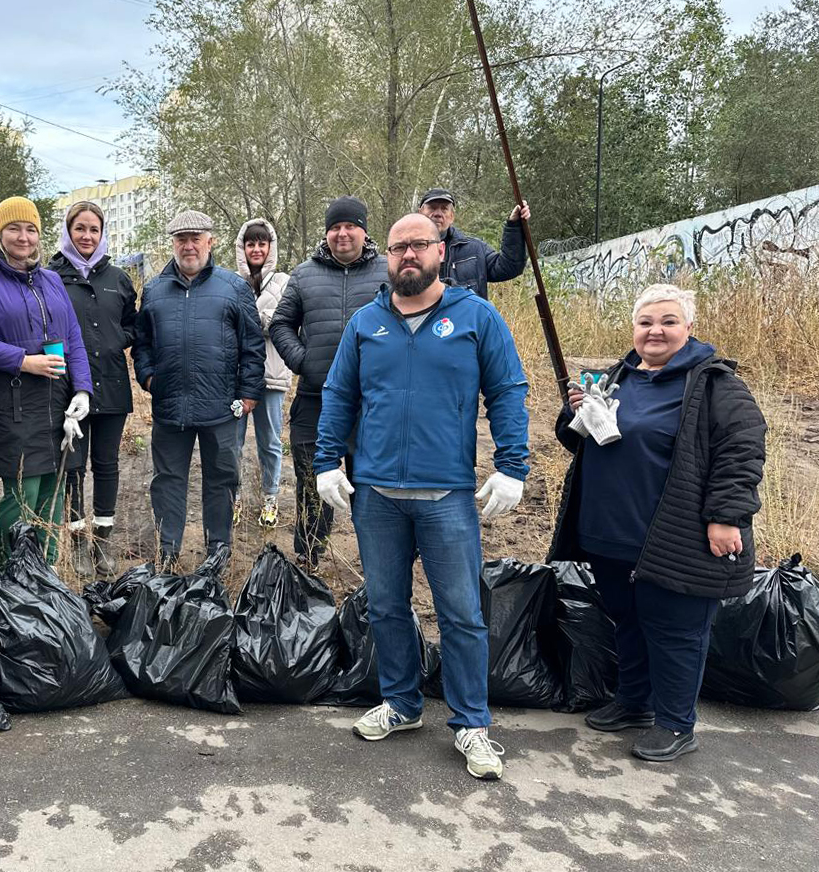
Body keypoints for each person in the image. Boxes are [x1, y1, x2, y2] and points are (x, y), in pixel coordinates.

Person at [315, 212, 530, 781]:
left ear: (440, 251)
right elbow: (339, 394)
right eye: (397, 248)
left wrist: (512, 466)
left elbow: (507, 389)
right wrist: (325, 462)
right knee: (386, 606)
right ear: (386, 258)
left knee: (460, 613)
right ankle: (403, 703)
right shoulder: (366, 323)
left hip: (448, 497)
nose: (407, 255)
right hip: (377, 496)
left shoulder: (476, 317)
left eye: (418, 245)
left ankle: (471, 724)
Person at [549, 284, 766, 762]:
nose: (656, 331)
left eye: (668, 321)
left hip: (674, 534)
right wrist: (574, 412)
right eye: (646, 322)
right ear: (634, 328)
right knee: (628, 619)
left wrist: (726, 517)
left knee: (677, 631)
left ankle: (675, 723)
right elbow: (582, 443)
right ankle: (634, 701)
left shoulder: (713, 384)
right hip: (610, 532)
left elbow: (742, 452)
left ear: (689, 328)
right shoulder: (617, 377)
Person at [0, 196, 93, 567]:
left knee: (52, 492)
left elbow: (73, 337)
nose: (24, 237)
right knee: (22, 495)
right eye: (14, 228)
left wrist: (82, 388)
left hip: (56, 401)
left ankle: (42, 576)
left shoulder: (50, 279)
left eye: (31, 229)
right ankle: (7, 575)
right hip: (11, 405)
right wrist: (23, 361)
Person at [132, 210, 265, 569]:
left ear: (211, 241)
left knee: (222, 479)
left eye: (195, 238)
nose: (188, 246)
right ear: (173, 243)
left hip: (221, 407)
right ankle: (169, 552)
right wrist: (148, 378)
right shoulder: (155, 290)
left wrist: (249, 393)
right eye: (181, 239)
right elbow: (141, 343)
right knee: (167, 481)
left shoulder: (234, 287)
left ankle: (218, 551)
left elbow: (253, 345)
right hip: (170, 406)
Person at [268, 196, 386, 568]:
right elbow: (281, 324)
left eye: (350, 225)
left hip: (373, 402)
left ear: (364, 230)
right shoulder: (304, 274)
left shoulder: (388, 271)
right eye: (335, 227)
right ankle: (308, 559)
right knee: (312, 481)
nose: (342, 233)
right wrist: (304, 361)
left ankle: (379, 561)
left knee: (370, 485)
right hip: (315, 397)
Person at [48, 201, 137, 577]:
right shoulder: (50, 277)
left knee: (107, 464)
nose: (87, 236)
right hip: (69, 389)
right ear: (68, 231)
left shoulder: (118, 279)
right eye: (80, 228)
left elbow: (135, 325)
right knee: (73, 466)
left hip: (113, 384)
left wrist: (117, 340)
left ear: (103, 234)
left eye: (94, 230)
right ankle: (79, 543)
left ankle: (104, 541)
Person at [233, 218, 290, 528]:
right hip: (237, 378)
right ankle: (235, 499)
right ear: (243, 248)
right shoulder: (231, 282)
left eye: (261, 243)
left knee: (269, 442)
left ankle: (270, 500)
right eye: (250, 243)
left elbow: (284, 321)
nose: (256, 249)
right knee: (234, 442)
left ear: (270, 247)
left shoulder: (283, 282)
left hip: (271, 375)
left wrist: (250, 320)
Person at [418, 187, 529, 301]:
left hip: (467, 319)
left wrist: (514, 225)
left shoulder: (475, 250)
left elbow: (509, 267)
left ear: (452, 217)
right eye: (432, 208)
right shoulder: (405, 251)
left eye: (444, 209)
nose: (438, 213)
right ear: (420, 212)